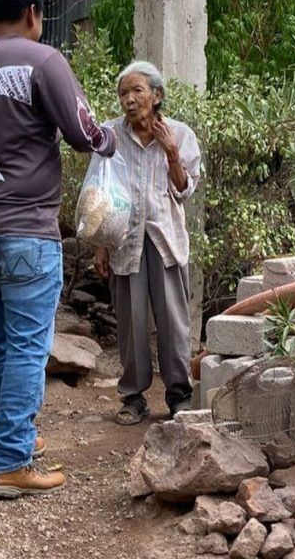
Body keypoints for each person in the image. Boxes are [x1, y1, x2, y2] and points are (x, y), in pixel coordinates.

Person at [0, 0, 116, 498]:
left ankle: (9, 443)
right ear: (35, 14)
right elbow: (84, 135)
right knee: (29, 348)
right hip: (27, 230)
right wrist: (112, 140)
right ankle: (12, 460)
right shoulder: (45, 61)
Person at [94, 61, 201, 425]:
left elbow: (186, 191)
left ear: (156, 96)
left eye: (137, 91)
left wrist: (171, 152)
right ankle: (134, 398)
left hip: (165, 239)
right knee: (131, 322)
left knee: (173, 322)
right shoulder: (110, 135)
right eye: (123, 93)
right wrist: (100, 243)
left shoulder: (180, 134)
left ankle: (179, 396)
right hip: (124, 240)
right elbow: (100, 192)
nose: (129, 99)